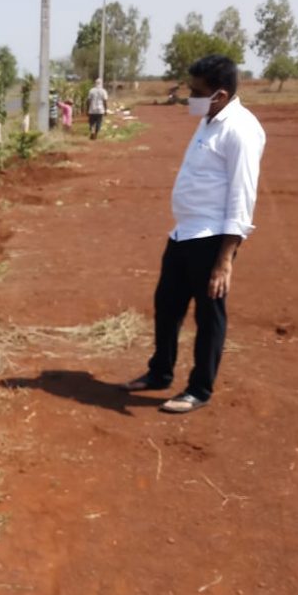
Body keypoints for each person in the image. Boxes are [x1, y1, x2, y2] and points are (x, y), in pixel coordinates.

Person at [122, 55, 266, 414]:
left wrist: (225, 260)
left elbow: (242, 196)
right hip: (185, 233)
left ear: (220, 93)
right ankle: (160, 372)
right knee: (167, 305)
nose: (190, 96)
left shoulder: (242, 130)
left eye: (197, 91)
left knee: (209, 315)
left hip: (213, 238)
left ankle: (199, 388)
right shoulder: (209, 119)